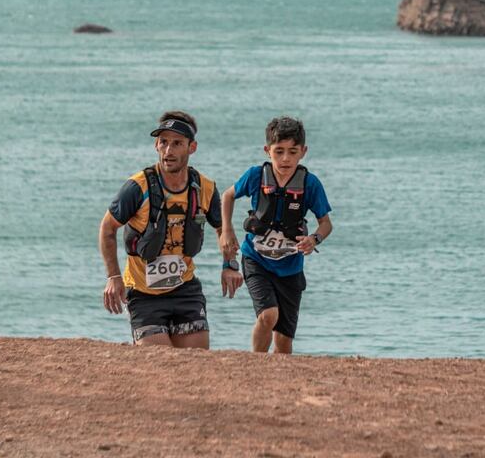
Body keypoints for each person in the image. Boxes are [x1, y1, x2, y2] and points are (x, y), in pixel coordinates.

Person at [98, 111, 244, 347]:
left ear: (192, 147)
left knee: (196, 364)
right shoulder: (138, 187)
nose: (169, 150)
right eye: (163, 142)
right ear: (156, 145)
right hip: (143, 295)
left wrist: (229, 265)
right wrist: (113, 277)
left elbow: (222, 230)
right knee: (159, 364)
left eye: (177, 143)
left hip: (185, 290)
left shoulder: (204, 188)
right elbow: (107, 228)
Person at [219, 116, 332, 354]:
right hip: (256, 259)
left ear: (303, 152)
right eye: (278, 151)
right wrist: (226, 230)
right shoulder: (255, 176)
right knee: (268, 315)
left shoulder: (309, 184)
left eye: (292, 152)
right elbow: (227, 196)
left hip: (290, 267)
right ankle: (255, 362)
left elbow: (325, 224)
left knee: (284, 341)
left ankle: (279, 383)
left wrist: (314, 239)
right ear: (267, 150)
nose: (285, 158)